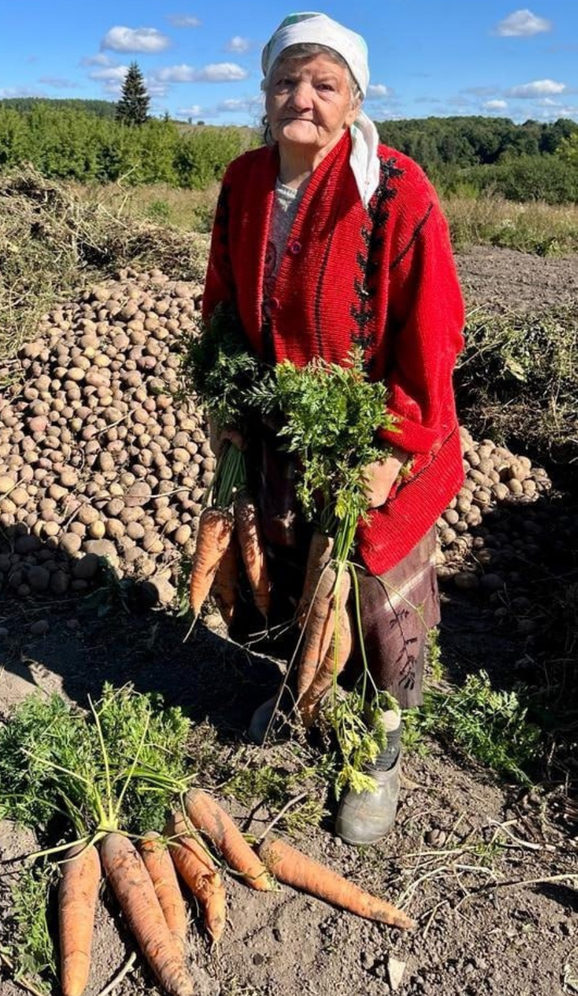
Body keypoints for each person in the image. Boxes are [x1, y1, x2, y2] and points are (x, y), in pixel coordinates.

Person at [201, 11, 465, 845]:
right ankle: (305, 695)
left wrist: (394, 448)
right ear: (265, 92)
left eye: (323, 85)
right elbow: (221, 296)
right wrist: (226, 399)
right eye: (287, 81)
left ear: (354, 99)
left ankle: (379, 750)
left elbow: (432, 330)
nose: (302, 99)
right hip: (280, 425)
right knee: (287, 569)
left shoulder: (396, 191)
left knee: (379, 596)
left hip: (380, 434)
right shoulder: (245, 181)